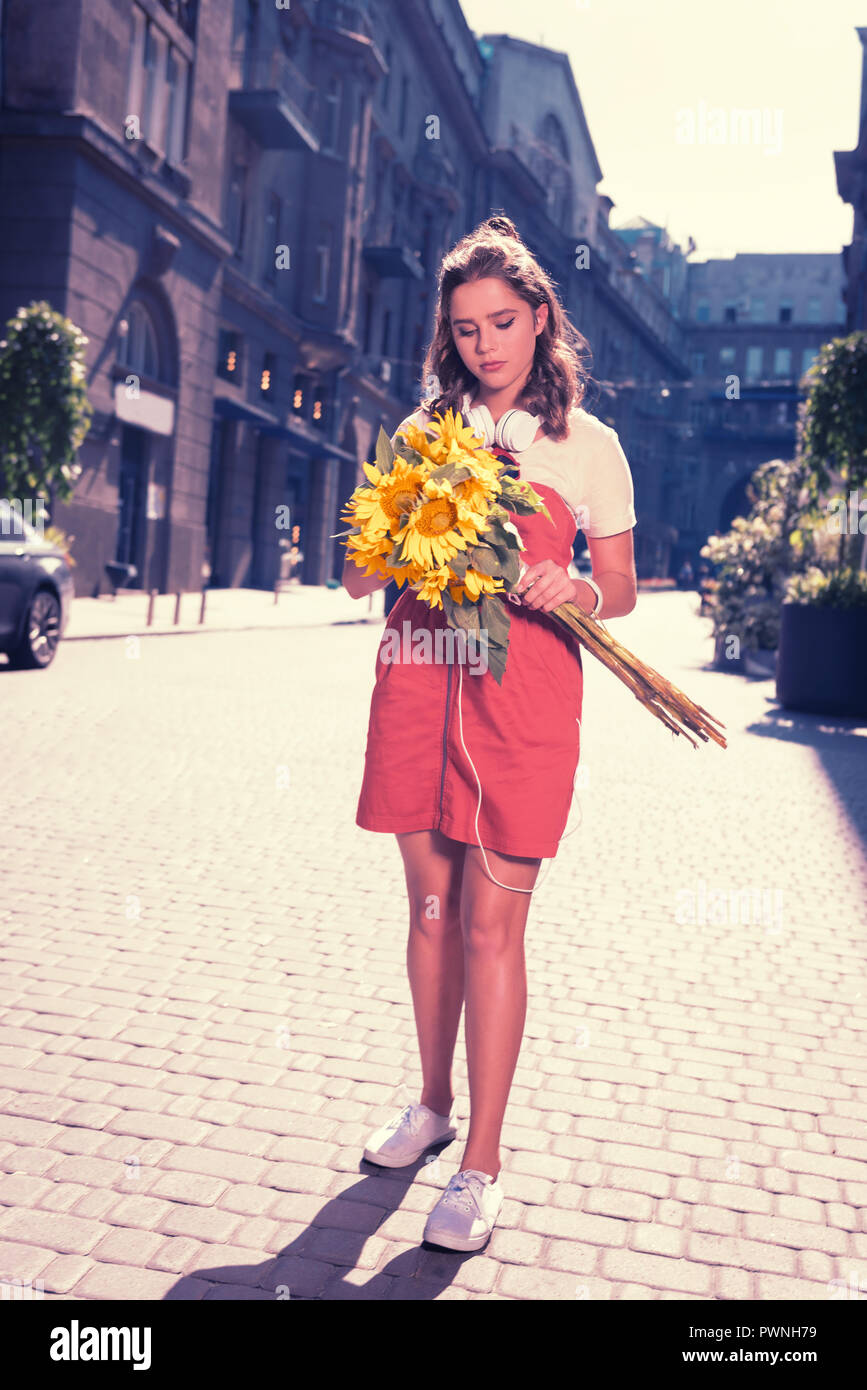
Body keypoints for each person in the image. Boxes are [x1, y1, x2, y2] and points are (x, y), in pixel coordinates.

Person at [342, 215, 638, 1253]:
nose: (485, 345)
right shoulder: (428, 431)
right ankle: (431, 1107)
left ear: (542, 318)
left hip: (525, 703)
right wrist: (415, 517)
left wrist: (577, 584)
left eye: (503, 322)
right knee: (430, 913)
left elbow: (626, 591)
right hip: (420, 683)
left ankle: (482, 1165)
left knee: (489, 927)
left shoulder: (592, 445)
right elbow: (355, 576)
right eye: (465, 328)